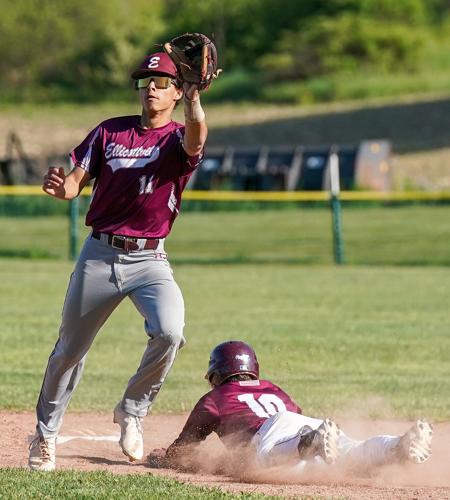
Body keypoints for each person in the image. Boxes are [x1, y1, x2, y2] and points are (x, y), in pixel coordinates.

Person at [28, 50, 209, 471]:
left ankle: (132, 410)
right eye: (146, 81)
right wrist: (61, 189)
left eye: (162, 82)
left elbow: (197, 138)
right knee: (69, 351)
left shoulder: (176, 140)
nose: (151, 87)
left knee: (170, 330)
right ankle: (45, 437)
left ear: (177, 92)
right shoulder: (110, 132)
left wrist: (197, 101)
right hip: (100, 254)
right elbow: (74, 184)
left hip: (151, 260)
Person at [148, 341, 433, 475]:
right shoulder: (272, 387)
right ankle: (397, 446)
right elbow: (293, 413)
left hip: (279, 434)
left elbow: (184, 448)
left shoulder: (215, 399)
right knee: (352, 453)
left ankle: (311, 441)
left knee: (265, 457)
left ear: (217, 373)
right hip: (300, 422)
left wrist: (163, 458)